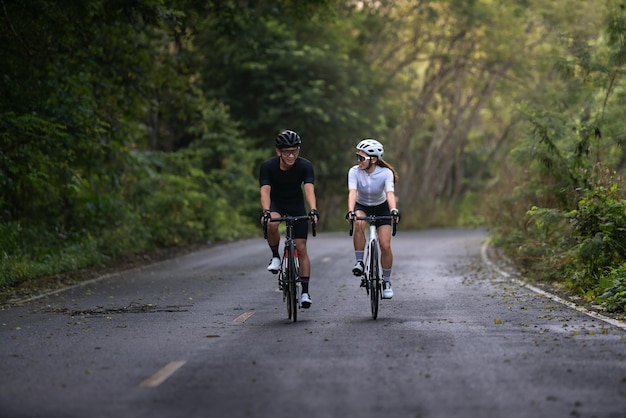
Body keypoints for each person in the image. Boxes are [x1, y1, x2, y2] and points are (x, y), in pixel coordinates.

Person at [259, 130, 319, 308]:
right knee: (271, 222)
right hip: (276, 205)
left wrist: (313, 210)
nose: (291, 155)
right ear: (279, 152)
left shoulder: (305, 166)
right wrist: (266, 211)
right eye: (287, 152)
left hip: (296, 206)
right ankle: (275, 256)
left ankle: (306, 292)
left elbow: (309, 189)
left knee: (301, 249)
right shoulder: (268, 166)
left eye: (295, 151)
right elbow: (265, 191)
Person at [346, 138, 399, 299]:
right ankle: (360, 261)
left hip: (381, 206)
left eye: (362, 158)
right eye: (357, 157)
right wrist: (350, 210)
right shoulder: (354, 171)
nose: (358, 161)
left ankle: (387, 281)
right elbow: (352, 193)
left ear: (373, 159)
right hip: (362, 206)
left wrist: (393, 210)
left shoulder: (385, 173)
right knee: (359, 222)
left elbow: (390, 193)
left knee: (385, 245)